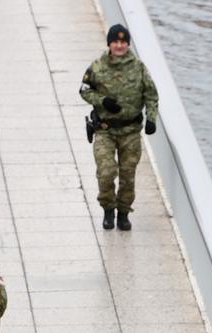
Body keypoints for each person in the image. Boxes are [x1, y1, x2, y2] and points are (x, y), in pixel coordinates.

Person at [79, 24, 158, 232]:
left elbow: (151, 94)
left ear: (127, 44)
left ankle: (123, 213)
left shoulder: (138, 67)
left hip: (130, 131)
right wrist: (102, 101)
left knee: (127, 174)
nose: (120, 46)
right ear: (109, 44)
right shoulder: (98, 66)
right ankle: (108, 209)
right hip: (105, 130)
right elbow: (84, 90)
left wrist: (151, 119)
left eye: (123, 42)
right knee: (105, 172)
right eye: (116, 42)